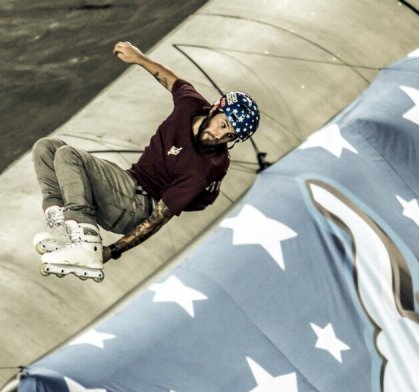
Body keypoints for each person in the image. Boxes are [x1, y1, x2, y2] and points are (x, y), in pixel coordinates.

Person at [33, 41, 260, 281]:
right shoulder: (192, 104)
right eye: (223, 125)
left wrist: (113, 250)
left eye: (230, 136)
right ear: (215, 109)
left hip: (138, 206)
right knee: (48, 148)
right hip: (127, 182)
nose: (219, 135)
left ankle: (86, 242)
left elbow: (159, 217)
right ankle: (62, 227)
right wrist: (139, 58)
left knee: (69, 156)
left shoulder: (206, 167)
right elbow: (170, 79)